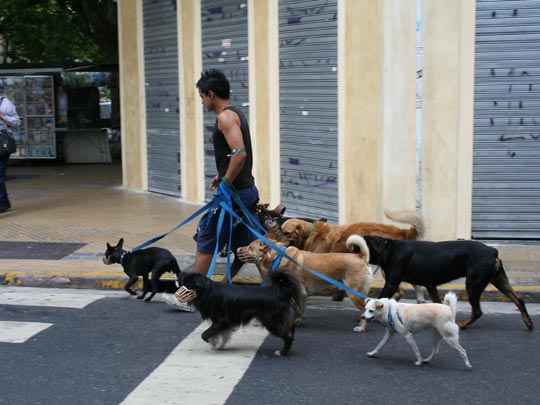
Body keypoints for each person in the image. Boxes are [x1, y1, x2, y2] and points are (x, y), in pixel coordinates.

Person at [164, 69, 260, 311]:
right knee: (249, 243)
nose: (202, 101)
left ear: (211, 93)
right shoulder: (235, 114)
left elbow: (240, 153)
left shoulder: (225, 118)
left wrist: (226, 181)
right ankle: (278, 291)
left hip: (235, 194)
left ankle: (189, 296)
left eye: (202, 97)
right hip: (244, 190)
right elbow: (236, 155)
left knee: (207, 236)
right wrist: (224, 173)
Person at [0, 95, 20, 213]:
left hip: (2, 143)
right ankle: (4, 202)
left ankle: (1, 204)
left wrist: (3, 116)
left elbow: (17, 122)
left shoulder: (5, 103)